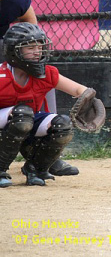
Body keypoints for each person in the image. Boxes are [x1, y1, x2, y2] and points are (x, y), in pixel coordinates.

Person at [0, 0, 78, 176]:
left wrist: (26, 54)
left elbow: (31, 26)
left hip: (3, 42)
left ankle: (48, 152)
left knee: (40, 70)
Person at [0, 23, 102, 187]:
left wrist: (91, 99)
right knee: (23, 114)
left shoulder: (45, 73)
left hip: (25, 119)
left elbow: (79, 90)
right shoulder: (2, 76)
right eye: (30, 47)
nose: (37, 51)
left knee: (63, 125)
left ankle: (36, 169)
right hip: (10, 120)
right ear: (14, 51)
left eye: (39, 47)